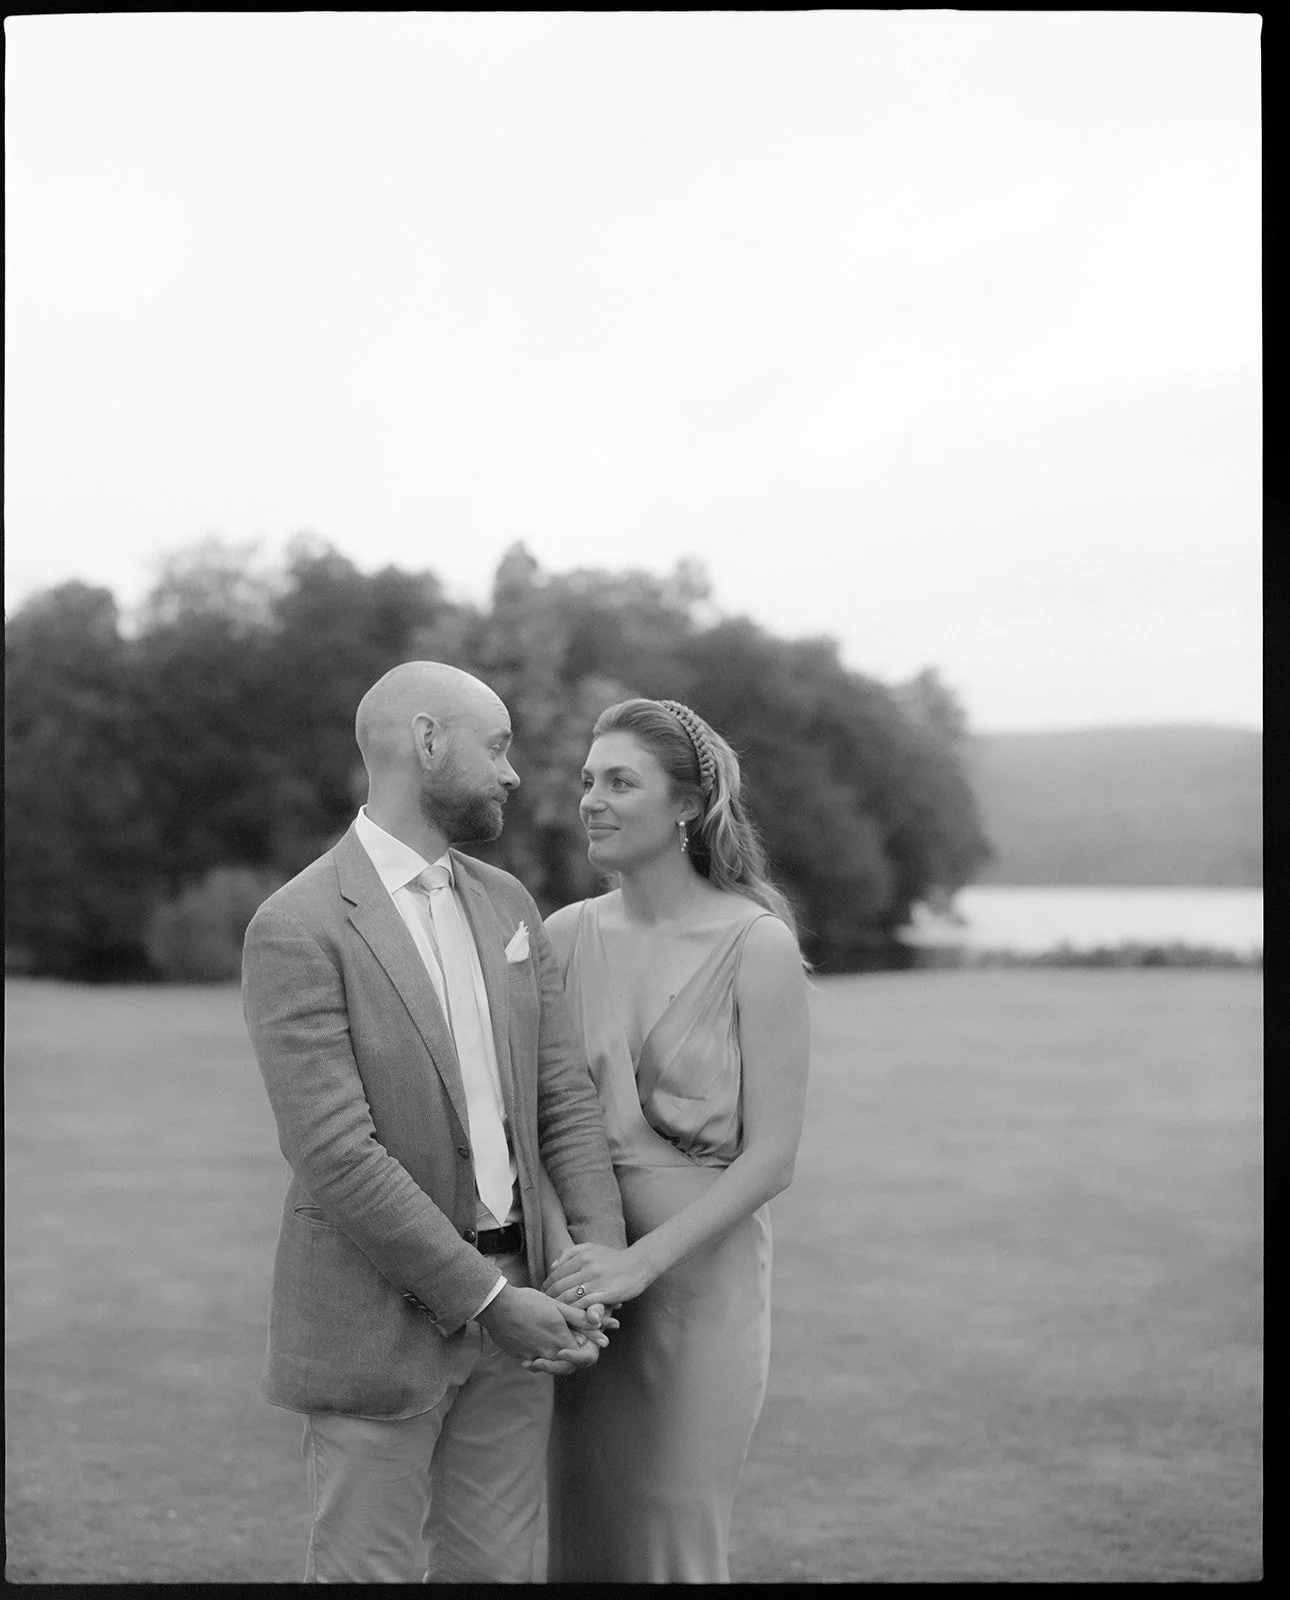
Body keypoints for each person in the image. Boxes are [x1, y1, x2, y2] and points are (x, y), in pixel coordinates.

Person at [241, 661, 627, 1584]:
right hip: (377, 1324)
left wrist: (595, 1266)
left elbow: (561, 1097)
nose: (513, 773)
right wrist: (492, 1304)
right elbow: (337, 1155)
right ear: (425, 742)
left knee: (496, 1574)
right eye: (496, 747)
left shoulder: (506, 902)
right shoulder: (296, 925)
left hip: (528, 1302)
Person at [540, 696, 811, 1583]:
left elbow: (772, 1158)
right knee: (584, 1538)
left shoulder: (755, 943)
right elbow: (534, 1125)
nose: (592, 800)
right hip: (585, 1294)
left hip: (700, 1297)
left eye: (621, 781)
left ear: (687, 806)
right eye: (588, 781)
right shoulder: (560, 938)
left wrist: (642, 1263)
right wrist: (579, 1270)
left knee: (670, 1540)